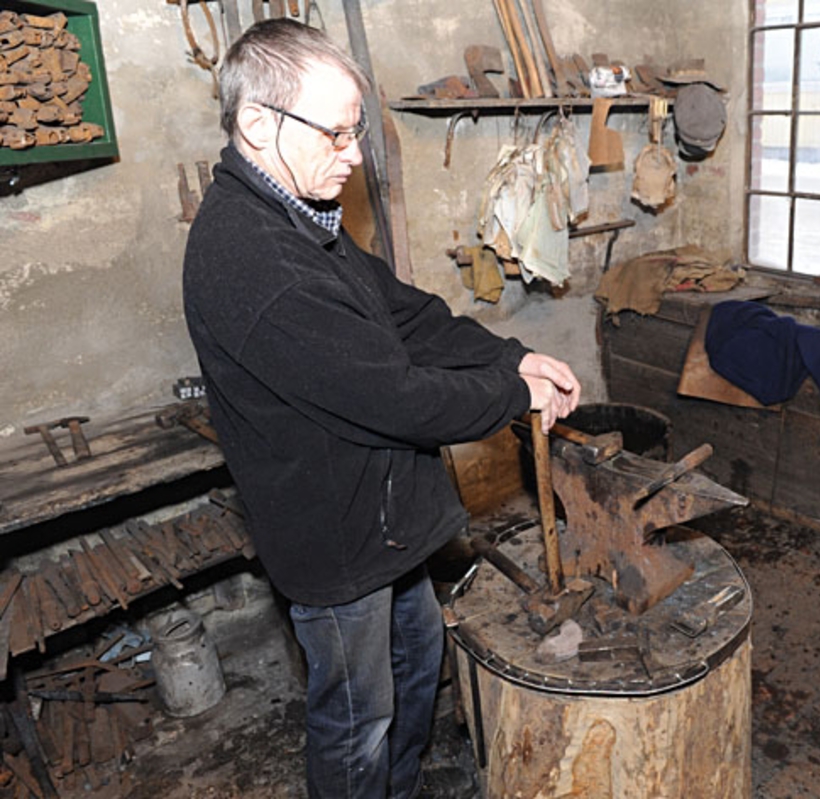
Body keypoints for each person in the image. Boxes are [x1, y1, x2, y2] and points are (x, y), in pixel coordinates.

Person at [182, 19, 580, 799]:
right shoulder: (251, 259)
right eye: (335, 133)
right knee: (357, 718)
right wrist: (511, 395)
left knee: (416, 670)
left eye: (355, 131)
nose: (354, 156)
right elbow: (392, 399)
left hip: (388, 518)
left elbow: (402, 311)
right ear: (258, 123)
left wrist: (508, 355)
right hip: (336, 543)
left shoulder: (299, 219)